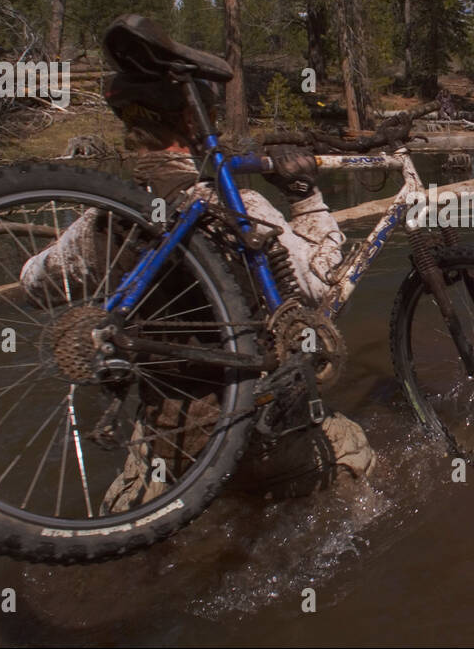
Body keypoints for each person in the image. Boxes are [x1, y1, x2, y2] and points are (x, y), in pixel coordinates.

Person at [20, 71, 376, 511]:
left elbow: (34, 283)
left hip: (167, 441)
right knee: (357, 457)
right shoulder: (243, 210)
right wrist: (306, 200)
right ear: (195, 123)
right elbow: (316, 286)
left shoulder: (97, 224)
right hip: (257, 428)